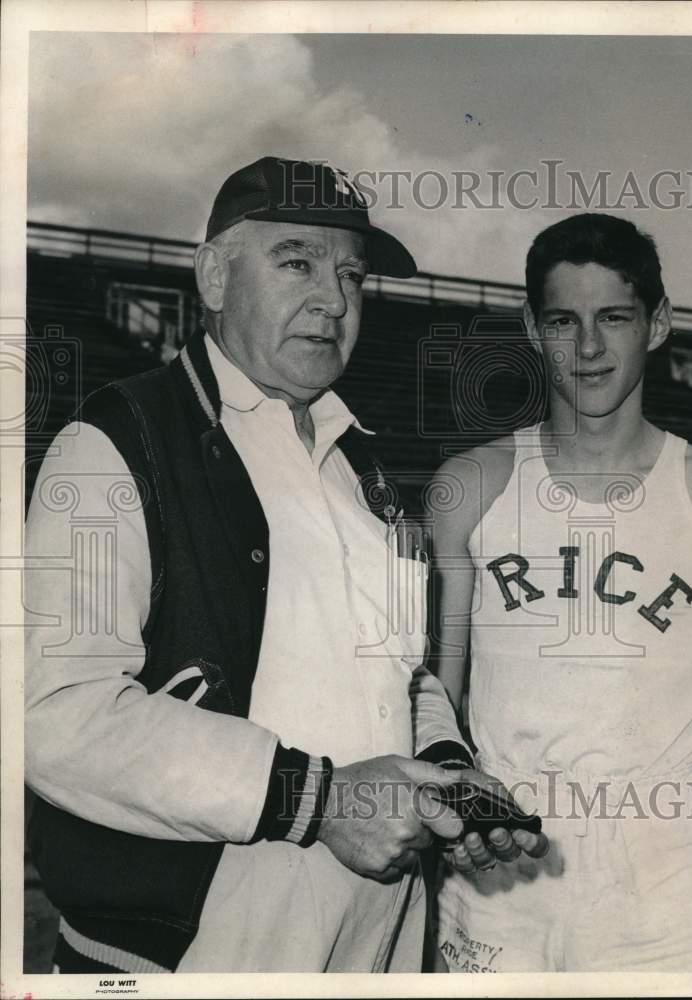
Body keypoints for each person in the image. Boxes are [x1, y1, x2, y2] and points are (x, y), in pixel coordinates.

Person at [23, 156, 545, 974]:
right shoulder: (114, 442)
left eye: (351, 276)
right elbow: (56, 716)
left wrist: (449, 779)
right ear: (215, 277)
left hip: (379, 927)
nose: (333, 300)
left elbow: (404, 677)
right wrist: (320, 798)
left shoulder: (361, 469)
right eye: (296, 261)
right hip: (198, 941)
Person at [430, 213, 692, 973]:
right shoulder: (470, 488)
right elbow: (433, 715)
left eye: (612, 318)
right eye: (563, 321)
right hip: (496, 879)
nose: (587, 348)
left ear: (656, 324)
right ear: (531, 327)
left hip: (660, 891)